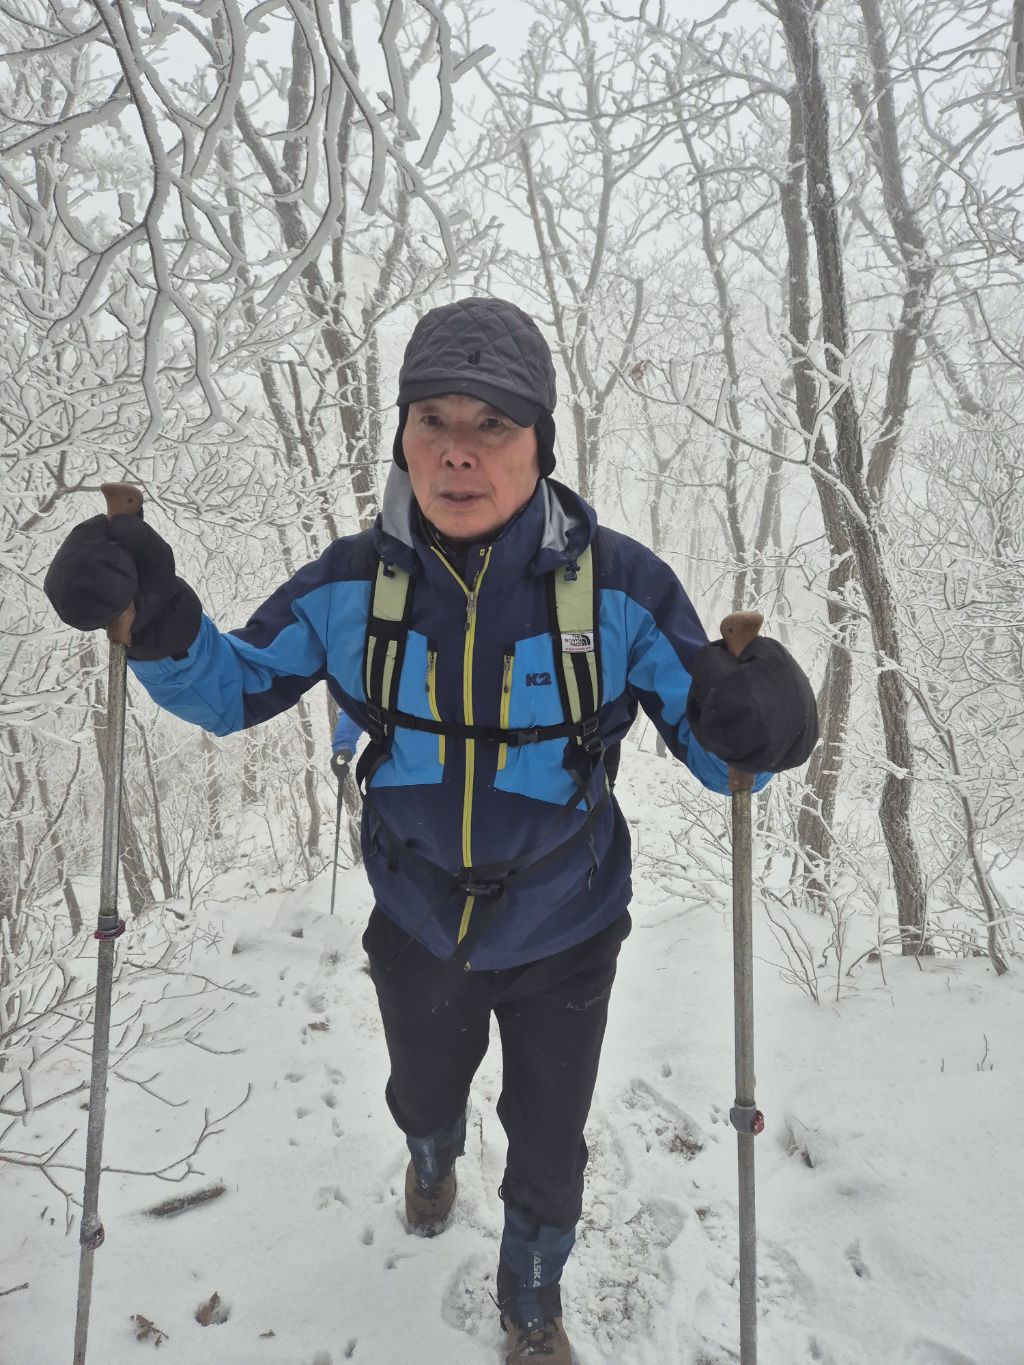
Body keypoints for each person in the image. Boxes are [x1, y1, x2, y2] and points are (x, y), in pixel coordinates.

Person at [44, 296, 817, 1364]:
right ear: (402, 439)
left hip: (567, 927)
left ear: (541, 442)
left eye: (492, 423)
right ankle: (431, 1153)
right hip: (414, 917)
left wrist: (760, 729)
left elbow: (716, 744)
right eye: (433, 421)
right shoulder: (350, 584)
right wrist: (155, 618)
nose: (459, 452)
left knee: (549, 1144)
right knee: (422, 1091)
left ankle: (531, 1299)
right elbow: (235, 688)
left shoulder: (619, 587)